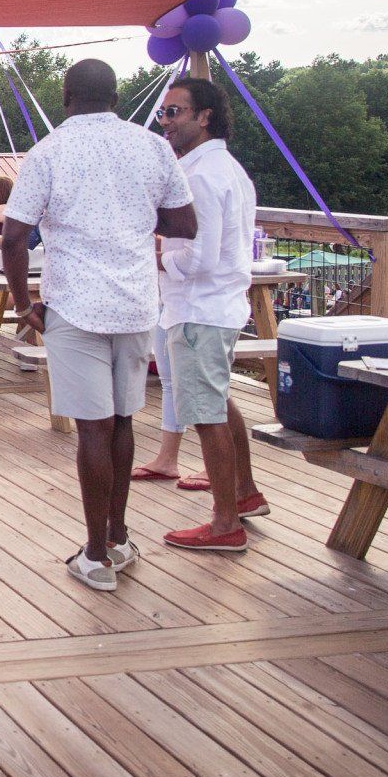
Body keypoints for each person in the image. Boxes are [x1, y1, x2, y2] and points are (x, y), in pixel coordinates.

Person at [0, 59, 194, 592]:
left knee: (93, 427)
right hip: (135, 302)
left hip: (76, 304)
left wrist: (23, 305)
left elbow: (14, 237)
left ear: (66, 97)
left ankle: (94, 555)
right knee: (125, 419)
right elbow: (184, 222)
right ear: (114, 95)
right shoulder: (151, 146)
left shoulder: (49, 152)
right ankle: (119, 536)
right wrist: (126, 218)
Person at [145, 77, 267, 552]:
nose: (166, 122)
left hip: (199, 308)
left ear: (205, 116)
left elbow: (200, 259)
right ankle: (244, 493)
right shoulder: (227, 168)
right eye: (163, 113)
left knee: (207, 413)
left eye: (175, 112)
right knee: (218, 401)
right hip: (219, 306)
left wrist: (157, 255)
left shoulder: (198, 176)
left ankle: (224, 525)